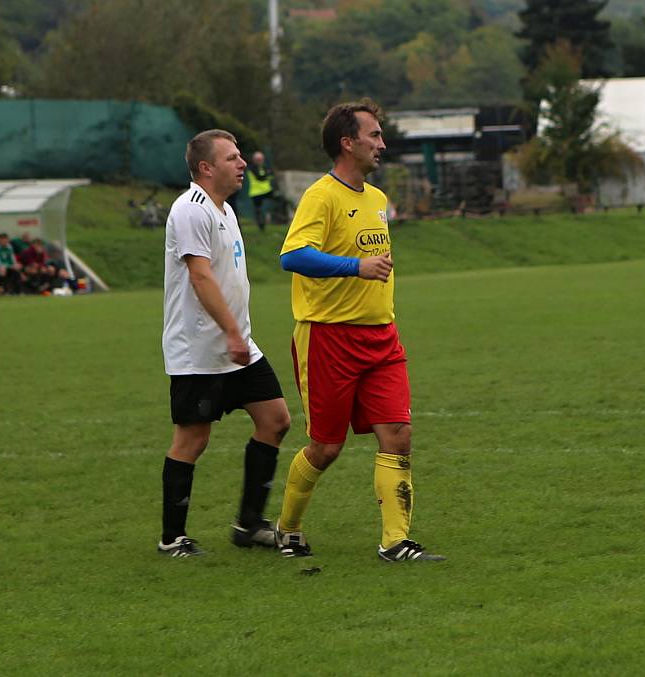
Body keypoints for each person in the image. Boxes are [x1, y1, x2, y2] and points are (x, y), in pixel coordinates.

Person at [274, 99, 445, 563]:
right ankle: (287, 527)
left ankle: (395, 541)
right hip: (329, 339)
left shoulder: (376, 199)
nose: (382, 144)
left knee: (398, 434)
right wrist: (356, 266)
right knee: (326, 447)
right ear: (347, 143)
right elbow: (292, 256)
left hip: (381, 338)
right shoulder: (321, 196)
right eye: (374, 135)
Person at [159, 129, 291, 557]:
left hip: (238, 345)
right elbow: (200, 276)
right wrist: (232, 332)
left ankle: (248, 525)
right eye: (232, 158)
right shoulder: (189, 209)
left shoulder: (226, 211)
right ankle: (172, 538)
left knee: (275, 420)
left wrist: (239, 335)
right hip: (200, 350)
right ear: (205, 167)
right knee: (192, 441)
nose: (243, 164)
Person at [246, 151, 274, 231]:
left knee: (272, 205)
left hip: (267, 191)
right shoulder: (252, 168)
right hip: (256, 193)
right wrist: (267, 175)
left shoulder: (265, 167)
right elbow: (260, 177)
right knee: (258, 211)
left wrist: (267, 175)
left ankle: (270, 219)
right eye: (257, 159)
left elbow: (271, 175)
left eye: (261, 159)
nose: (259, 161)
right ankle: (261, 226)